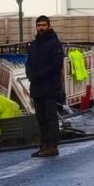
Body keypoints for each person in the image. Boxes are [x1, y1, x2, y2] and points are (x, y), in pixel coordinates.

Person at [26, 16, 67, 157]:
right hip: (37, 87)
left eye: (44, 25)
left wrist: (39, 75)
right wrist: (30, 73)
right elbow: (29, 62)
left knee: (50, 117)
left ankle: (53, 146)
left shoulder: (55, 44)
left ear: (48, 26)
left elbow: (56, 65)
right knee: (40, 118)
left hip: (50, 86)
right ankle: (44, 144)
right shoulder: (34, 44)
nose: (41, 28)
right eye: (39, 25)